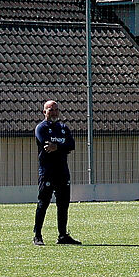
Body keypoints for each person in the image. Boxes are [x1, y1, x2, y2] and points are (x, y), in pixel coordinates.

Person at [32, 100, 81, 246]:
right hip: (47, 172)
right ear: (44, 112)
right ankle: (37, 235)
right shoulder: (41, 128)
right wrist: (61, 147)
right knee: (43, 203)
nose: (53, 112)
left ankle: (62, 235)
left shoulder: (63, 128)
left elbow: (71, 145)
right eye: (50, 110)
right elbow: (47, 145)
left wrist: (57, 146)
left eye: (56, 110)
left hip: (62, 172)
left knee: (63, 204)